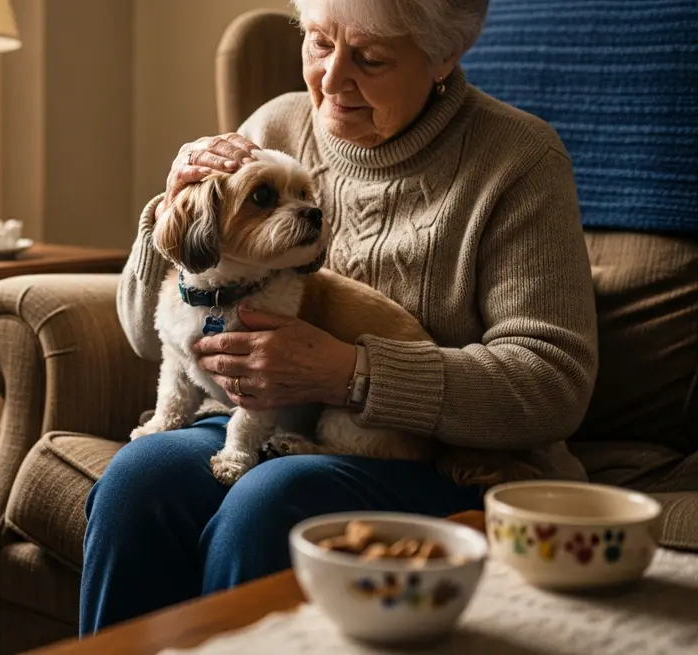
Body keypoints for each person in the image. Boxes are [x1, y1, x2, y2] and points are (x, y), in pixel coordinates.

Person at [82, 0, 599, 633]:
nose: (331, 78)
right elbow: (146, 335)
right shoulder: (275, 125)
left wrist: (352, 374)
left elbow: (553, 384)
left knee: (271, 500)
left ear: (443, 57)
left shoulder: (518, 159)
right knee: (138, 480)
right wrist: (173, 208)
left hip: (442, 459)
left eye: (372, 58)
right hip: (261, 424)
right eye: (320, 43)